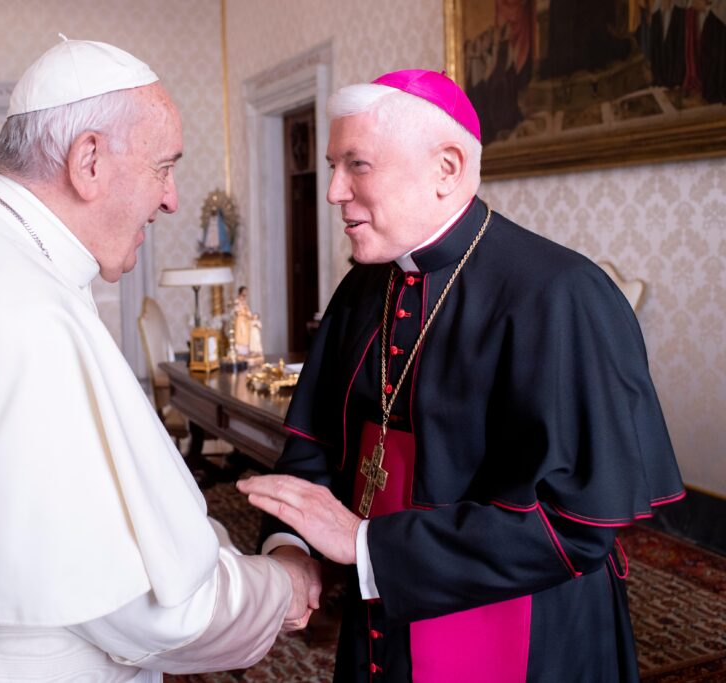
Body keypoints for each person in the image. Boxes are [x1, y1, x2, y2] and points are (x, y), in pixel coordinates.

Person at [0, 37, 315, 681]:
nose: (172, 200)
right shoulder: (23, 309)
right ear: (90, 160)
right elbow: (156, 610)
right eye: (164, 167)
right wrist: (280, 584)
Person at [238, 69, 684, 682]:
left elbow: (574, 526)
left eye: (357, 165)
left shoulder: (559, 295)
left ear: (447, 168)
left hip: (522, 633)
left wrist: (367, 548)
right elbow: (314, 447)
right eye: (333, 165)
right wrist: (291, 551)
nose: (334, 190)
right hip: (383, 620)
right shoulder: (365, 285)